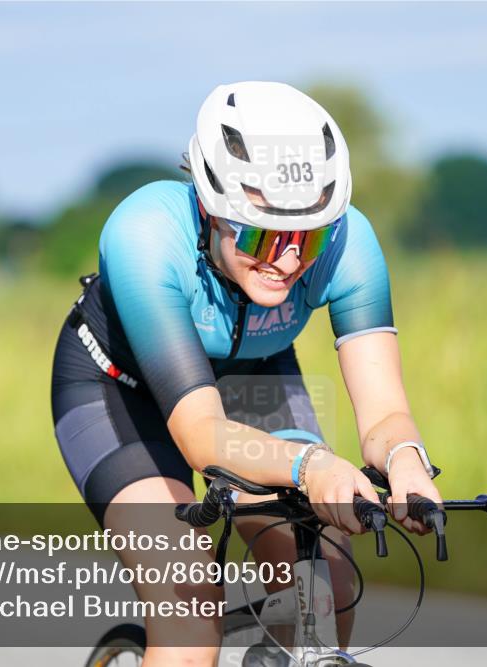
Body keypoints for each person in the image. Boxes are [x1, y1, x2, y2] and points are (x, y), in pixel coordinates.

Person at [51, 81, 442, 666]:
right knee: (189, 609)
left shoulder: (349, 242)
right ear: (212, 208)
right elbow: (201, 435)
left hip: (254, 376)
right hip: (120, 392)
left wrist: (406, 461)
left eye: (310, 235)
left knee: (327, 585)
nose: (289, 259)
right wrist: (311, 466)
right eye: (263, 233)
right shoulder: (145, 234)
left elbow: (385, 412)